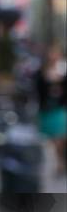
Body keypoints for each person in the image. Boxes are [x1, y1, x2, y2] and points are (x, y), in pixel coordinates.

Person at [35, 45, 67, 176]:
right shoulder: (41, 72)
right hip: (47, 109)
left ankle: (60, 163)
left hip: (60, 109)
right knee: (51, 139)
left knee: (60, 137)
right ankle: (56, 162)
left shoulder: (63, 70)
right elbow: (38, 89)